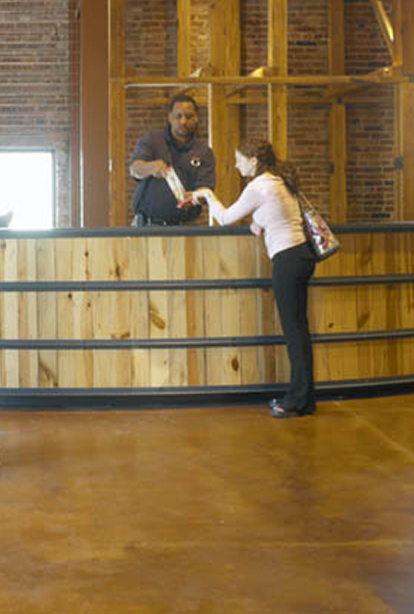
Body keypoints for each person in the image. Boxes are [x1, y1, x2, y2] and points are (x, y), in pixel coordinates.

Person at [192, 138, 316, 417]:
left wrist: (208, 195)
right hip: (302, 256)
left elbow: (225, 218)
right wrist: (259, 222)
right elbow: (281, 213)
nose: (236, 165)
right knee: (299, 331)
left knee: (294, 334)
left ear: (253, 160)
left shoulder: (258, 186)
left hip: (287, 260)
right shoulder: (278, 181)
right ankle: (305, 400)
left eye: (239, 160)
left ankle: (297, 400)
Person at [129, 93, 216, 226]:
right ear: (169, 117)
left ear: (196, 118)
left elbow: (206, 190)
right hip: (147, 225)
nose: (183, 121)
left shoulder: (204, 152)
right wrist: (151, 167)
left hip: (186, 226)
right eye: (178, 116)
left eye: (189, 116)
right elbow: (134, 169)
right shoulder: (152, 140)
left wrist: (194, 198)